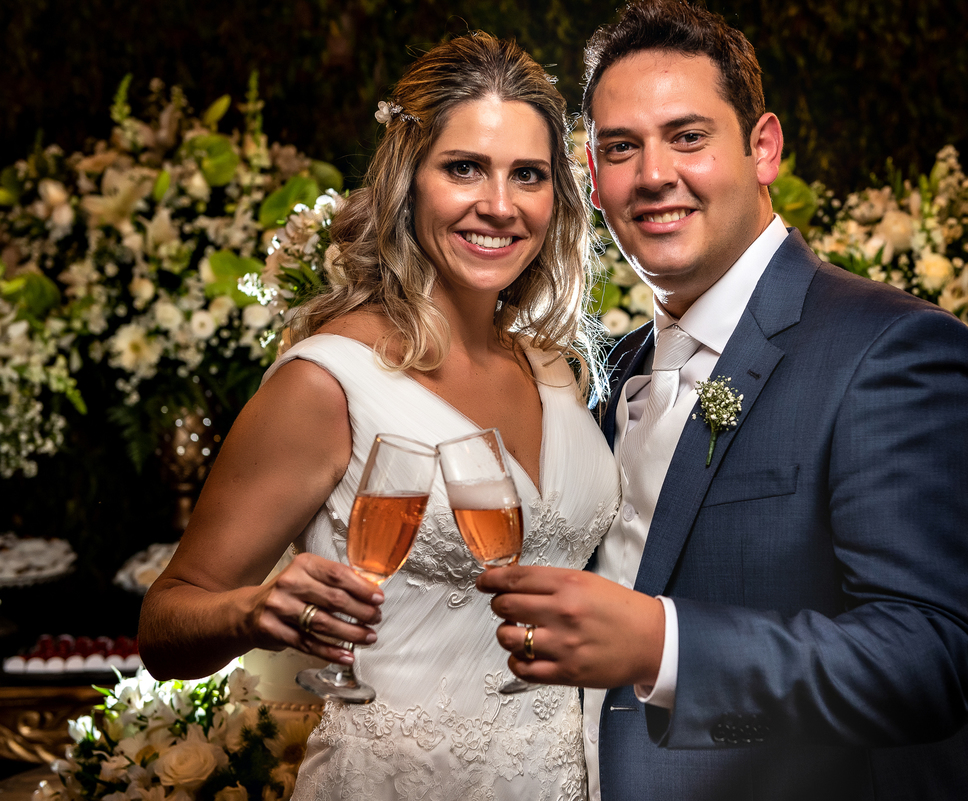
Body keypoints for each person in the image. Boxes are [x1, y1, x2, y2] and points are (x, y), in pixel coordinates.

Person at [476, 1, 968, 799]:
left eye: (688, 136)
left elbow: (932, 658)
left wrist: (663, 645)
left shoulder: (894, 349)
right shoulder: (607, 372)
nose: (653, 175)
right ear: (592, 174)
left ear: (763, 147)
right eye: (621, 148)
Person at [139, 32, 619, 801]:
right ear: (408, 181)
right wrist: (255, 608)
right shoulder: (328, 380)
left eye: (527, 174)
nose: (500, 204)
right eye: (464, 167)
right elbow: (165, 626)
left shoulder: (553, 369)